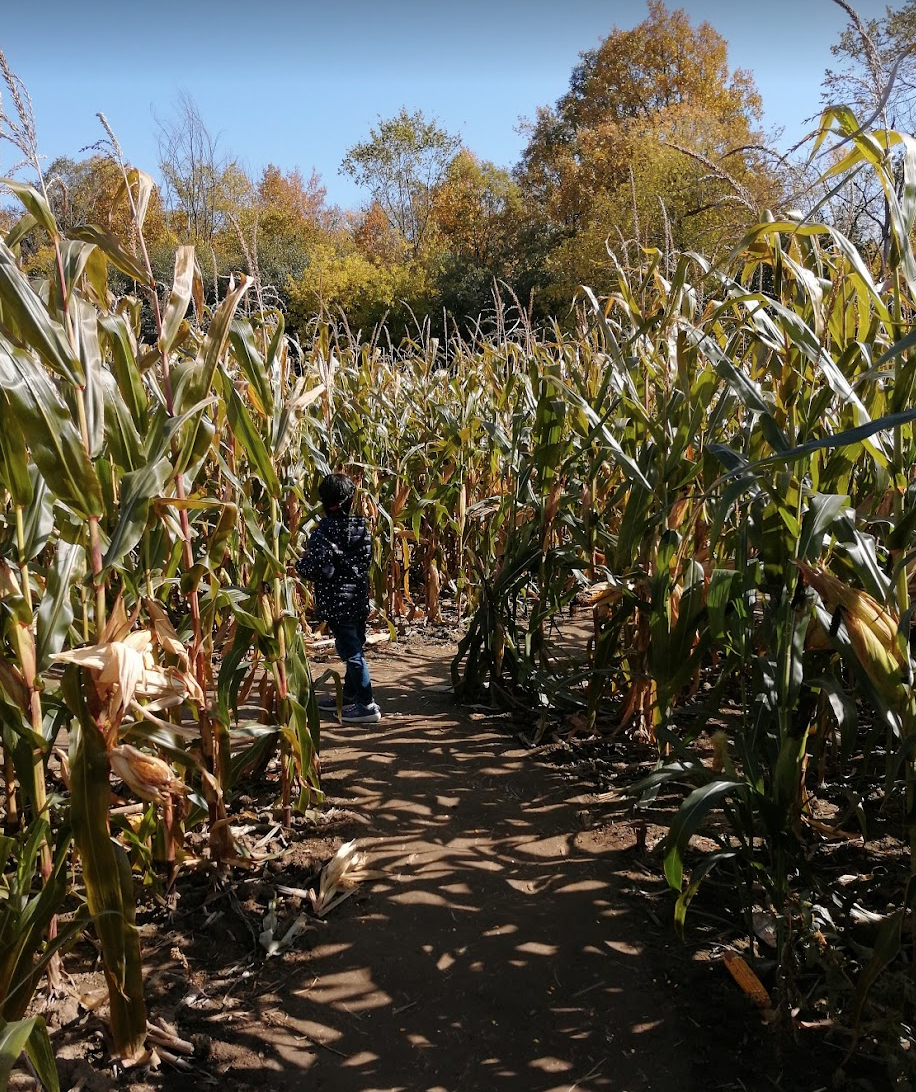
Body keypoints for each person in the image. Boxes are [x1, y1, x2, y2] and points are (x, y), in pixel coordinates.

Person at [296, 473, 381, 724]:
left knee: (351, 652)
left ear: (323, 502)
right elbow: (362, 563)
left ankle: (366, 705)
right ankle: (351, 696)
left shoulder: (324, 532)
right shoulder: (361, 528)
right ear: (350, 500)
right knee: (354, 646)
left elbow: (321, 569)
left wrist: (300, 565)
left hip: (338, 601)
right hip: (358, 598)